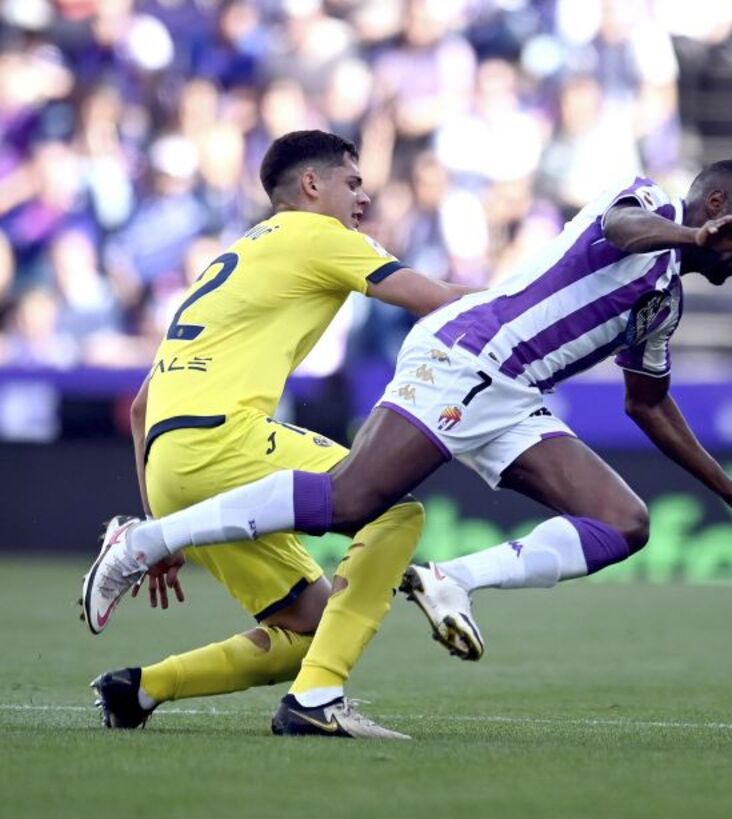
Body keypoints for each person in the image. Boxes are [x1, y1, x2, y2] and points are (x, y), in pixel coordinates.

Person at [83, 159, 732, 683]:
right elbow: (622, 229)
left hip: (511, 393)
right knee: (351, 502)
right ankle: (150, 538)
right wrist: (692, 239)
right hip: (465, 352)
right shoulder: (647, 200)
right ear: (715, 203)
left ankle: (451, 580)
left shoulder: (664, 304)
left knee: (624, 521)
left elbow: (647, 402)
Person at [81, 130, 470, 740]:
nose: (363, 198)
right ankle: (319, 703)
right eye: (353, 182)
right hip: (224, 440)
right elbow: (442, 303)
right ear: (312, 185)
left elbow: (139, 409)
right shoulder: (319, 235)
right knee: (392, 508)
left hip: (168, 461)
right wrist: (559, 297)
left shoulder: (233, 256)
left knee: (312, 627)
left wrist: (164, 523)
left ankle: (140, 689)